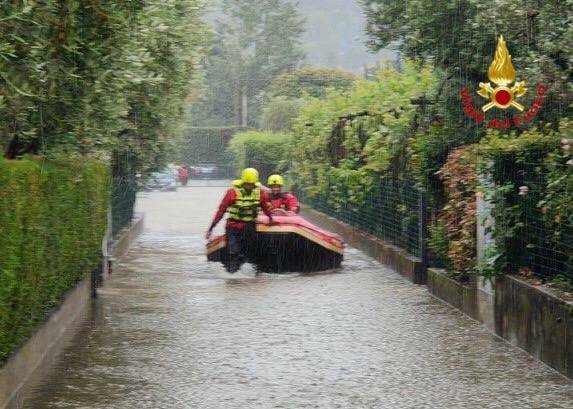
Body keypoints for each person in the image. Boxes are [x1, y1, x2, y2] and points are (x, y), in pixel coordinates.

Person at [206, 168, 274, 273]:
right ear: (242, 182)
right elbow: (221, 211)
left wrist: (271, 219)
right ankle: (232, 273)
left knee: (247, 252)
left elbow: (265, 208)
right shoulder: (232, 193)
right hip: (233, 227)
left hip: (249, 227)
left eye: (251, 184)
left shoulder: (260, 193)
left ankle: (246, 271)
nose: (249, 186)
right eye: (247, 184)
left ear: (255, 183)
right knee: (233, 251)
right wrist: (211, 228)